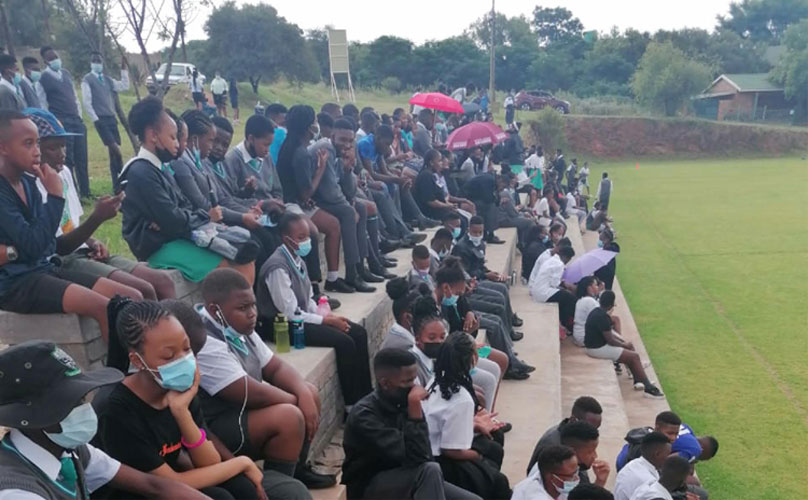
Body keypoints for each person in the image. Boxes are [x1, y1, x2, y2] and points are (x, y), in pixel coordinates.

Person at [99, 300, 269, 500]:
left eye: (187, 349)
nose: (182, 360)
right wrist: (242, 462)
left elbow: (209, 463)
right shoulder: (118, 411)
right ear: (138, 361)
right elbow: (166, 484)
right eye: (168, 356)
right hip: (139, 492)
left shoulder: (179, 389)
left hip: (169, 484)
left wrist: (182, 414)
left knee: (242, 487)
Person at [0, 340, 209, 500]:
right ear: (31, 419)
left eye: (82, 398)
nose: (83, 408)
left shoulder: (69, 450)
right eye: (70, 403)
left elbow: (153, 485)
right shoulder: (17, 492)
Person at [196, 268, 335, 489]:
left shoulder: (237, 326)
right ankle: (279, 487)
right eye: (243, 308)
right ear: (215, 310)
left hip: (242, 413)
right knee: (289, 416)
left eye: (253, 305)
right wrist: (299, 402)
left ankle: (296, 471)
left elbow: (275, 367)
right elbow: (248, 393)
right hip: (217, 426)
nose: (252, 313)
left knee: (308, 391)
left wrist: (303, 393)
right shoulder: (205, 340)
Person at [27, 107, 176, 301]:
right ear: (34, 149)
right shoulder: (30, 186)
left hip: (82, 251)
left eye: (64, 146)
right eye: (53, 148)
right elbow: (59, 246)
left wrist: (93, 242)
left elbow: (71, 226)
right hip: (62, 261)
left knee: (163, 282)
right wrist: (97, 218)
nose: (62, 154)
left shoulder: (64, 174)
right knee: (141, 291)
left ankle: (174, 321)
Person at [0, 110, 112, 339]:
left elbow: (46, 244)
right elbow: (35, 244)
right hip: (15, 284)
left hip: (41, 269)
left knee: (127, 297)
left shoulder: (28, 183)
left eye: (37, 143)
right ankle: (120, 364)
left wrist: (15, 251)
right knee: (105, 308)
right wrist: (55, 196)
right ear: (3, 148)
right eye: (28, 144)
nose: (37, 151)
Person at [119, 96, 255, 284]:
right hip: (158, 246)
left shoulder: (160, 167)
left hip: (177, 236)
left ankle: (244, 302)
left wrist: (186, 218)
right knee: (227, 269)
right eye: (172, 137)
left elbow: (182, 207)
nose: (177, 144)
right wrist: (203, 217)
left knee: (244, 256)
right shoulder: (142, 172)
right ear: (153, 135)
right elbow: (173, 220)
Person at [256, 212, 372, 407]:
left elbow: (309, 300)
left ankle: (367, 397)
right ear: (287, 239)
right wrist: (326, 321)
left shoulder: (298, 260)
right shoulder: (277, 267)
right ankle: (352, 406)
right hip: (282, 326)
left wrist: (328, 316)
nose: (306, 241)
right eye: (301, 237)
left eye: (308, 236)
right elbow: (290, 312)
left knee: (358, 332)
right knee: (344, 342)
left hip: (301, 319)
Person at [342, 348, 482, 500]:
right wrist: (415, 412)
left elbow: (425, 455)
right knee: (430, 470)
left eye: (414, 380)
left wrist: (414, 412)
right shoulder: (364, 416)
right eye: (407, 381)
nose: (414, 387)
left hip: (410, 477)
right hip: (369, 486)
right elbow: (416, 457)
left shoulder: (402, 403)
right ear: (385, 383)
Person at [277, 105, 373, 292]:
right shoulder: (302, 152)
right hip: (294, 203)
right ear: (307, 127)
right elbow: (309, 193)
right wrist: (321, 169)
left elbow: (345, 190)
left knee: (349, 213)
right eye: (314, 121)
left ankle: (349, 272)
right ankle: (328, 281)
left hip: (303, 200)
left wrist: (348, 169)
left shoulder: (297, 146)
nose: (317, 125)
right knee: (338, 220)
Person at [423, 332, 511, 500]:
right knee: (499, 480)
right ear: (471, 359)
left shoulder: (436, 380)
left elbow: (444, 422)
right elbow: (451, 450)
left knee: (495, 438)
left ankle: (485, 478)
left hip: (437, 447)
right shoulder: (462, 399)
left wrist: (474, 424)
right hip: (442, 461)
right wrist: (478, 456)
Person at [308, 116, 384, 287]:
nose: (346, 144)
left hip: (327, 197)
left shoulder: (342, 152)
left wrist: (348, 168)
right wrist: (348, 204)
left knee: (361, 208)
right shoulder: (326, 148)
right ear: (332, 136)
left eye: (350, 140)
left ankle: (361, 267)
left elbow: (349, 190)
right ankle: (352, 273)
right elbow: (330, 192)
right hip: (313, 198)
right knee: (349, 212)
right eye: (342, 140)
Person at [584, 291, 664, 398]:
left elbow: (610, 334)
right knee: (634, 357)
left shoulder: (597, 311)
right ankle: (649, 388)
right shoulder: (602, 317)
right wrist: (624, 345)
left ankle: (637, 380)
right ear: (611, 305)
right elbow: (611, 341)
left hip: (595, 346)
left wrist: (624, 344)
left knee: (630, 351)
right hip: (596, 349)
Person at [37, 46, 89, 198]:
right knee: (67, 159)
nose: (55, 60)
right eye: (51, 58)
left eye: (56, 57)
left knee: (82, 158)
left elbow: (74, 97)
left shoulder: (66, 74)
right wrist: (53, 123)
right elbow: (42, 103)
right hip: (61, 122)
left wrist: (79, 116)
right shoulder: (43, 79)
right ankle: (73, 192)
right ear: (45, 61)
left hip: (76, 120)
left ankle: (86, 192)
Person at [82, 51, 129, 191]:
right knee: (116, 150)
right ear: (91, 63)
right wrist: (95, 119)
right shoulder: (87, 80)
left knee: (113, 154)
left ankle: (117, 185)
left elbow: (124, 86)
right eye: (95, 61)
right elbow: (87, 102)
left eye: (99, 61)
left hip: (111, 118)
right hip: (101, 119)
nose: (97, 64)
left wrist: (123, 69)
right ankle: (121, 180)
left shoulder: (107, 80)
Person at [527, 396, 603, 472]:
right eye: (588, 426)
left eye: (596, 428)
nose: (593, 432)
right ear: (573, 420)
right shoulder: (553, 447)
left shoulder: (579, 439)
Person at [529, 245, 577, 333]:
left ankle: (563, 322)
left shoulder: (551, 260)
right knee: (569, 298)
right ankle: (568, 324)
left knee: (563, 296)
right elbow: (554, 284)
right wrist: (565, 285)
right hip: (543, 293)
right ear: (566, 257)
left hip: (538, 291)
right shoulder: (559, 264)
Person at [616, 411, 682, 471]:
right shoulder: (646, 449)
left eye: (676, 434)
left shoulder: (657, 441)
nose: (673, 438)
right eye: (670, 433)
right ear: (657, 428)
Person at [614, 432, 672, 500]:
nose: (670, 458)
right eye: (668, 454)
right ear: (657, 454)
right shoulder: (646, 481)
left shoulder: (634, 464)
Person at [512, 444, 579, 500]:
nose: (576, 478)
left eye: (576, 471)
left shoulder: (545, 470)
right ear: (551, 477)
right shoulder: (535, 497)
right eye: (571, 475)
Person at [573, 276, 602, 346]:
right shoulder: (589, 301)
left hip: (578, 335)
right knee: (614, 320)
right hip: (585, 337)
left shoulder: (581, 300)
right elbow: (601, 318)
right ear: (589, 288)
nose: (598, 287)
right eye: (596, 285)